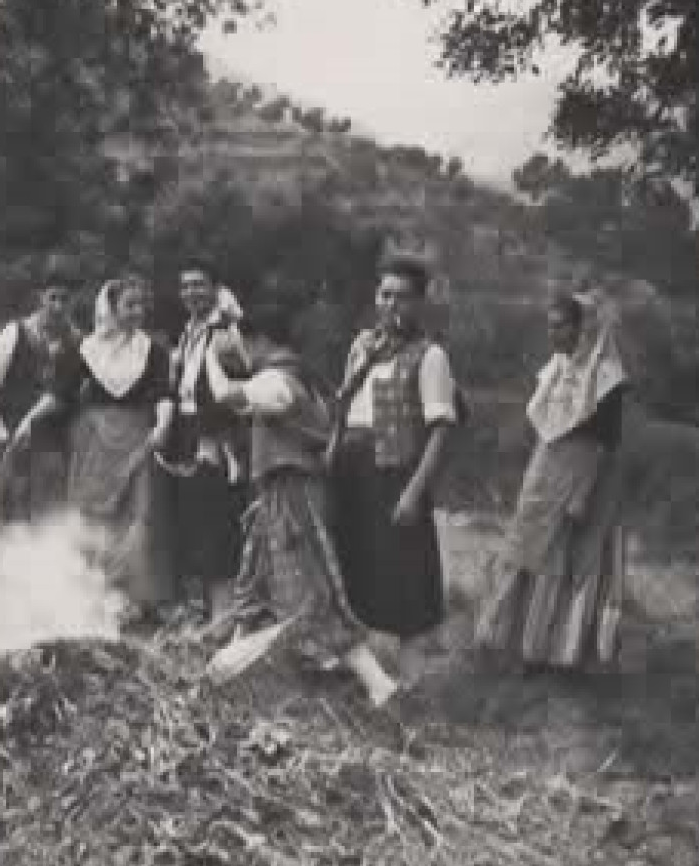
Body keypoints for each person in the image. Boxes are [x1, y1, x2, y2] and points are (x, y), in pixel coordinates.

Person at [200, 301, 402, 707]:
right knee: (253, 584)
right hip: (277, 493)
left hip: (294, 495)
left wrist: (209, 354)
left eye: (240, 340)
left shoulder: (278, 379)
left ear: (258, 340)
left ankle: (378, 682)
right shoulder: (296, 375)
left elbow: (226, 394)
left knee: (309, 591)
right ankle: (225, 672)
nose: (236, 349)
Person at [475, 291, 630, 670]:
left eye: (560, 325)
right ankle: (497, 639)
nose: (552, 333)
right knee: (520, 547)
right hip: (545, 466)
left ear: (583, 327)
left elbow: (604, 443)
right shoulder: (558, 367)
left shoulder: (607, 378)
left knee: (552, 559)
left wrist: (581, 494)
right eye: (549, 324)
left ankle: (537, 651)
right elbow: (549, 424)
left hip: (578, 472)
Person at [327, 256, 460, 647]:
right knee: (353, 566)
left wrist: (413, 494)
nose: (391, 305)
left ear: (419, 303)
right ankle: (363, 663)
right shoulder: (361, 347)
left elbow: (440, 432)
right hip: (351, 468)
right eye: (385, 295)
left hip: (394, 473)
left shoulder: (429, 355)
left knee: (399, 576)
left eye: (402, 298)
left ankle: (407, 672)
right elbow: (344, 408)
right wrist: (332, 454)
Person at [64, 277, 178, 629]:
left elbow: (163, 393)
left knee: (138, 514)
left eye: (141, 305)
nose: (137, 312)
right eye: (129, 305)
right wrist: (27, 423)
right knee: (94, 515)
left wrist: (162, 426)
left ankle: (134, 601)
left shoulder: (152, 350)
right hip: (95, 440)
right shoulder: (86, 349)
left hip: (137, 436)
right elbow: (60, 392)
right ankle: (91, 597)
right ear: (111, 308)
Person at [164, 267, 249, 624]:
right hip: (185, 431)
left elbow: (238, 387)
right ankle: (199, 610)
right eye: (185, 286)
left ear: (216, 288)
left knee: (218, 521)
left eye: (199, 285)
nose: (191, 292)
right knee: (190, 521)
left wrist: (213, 438)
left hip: (215, 435)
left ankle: (223, 614)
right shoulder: (187, 332)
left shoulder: (226, 330)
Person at [0, 280, 83, 530]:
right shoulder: (16, 332)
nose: (58, 306)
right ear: (40, 298)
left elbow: (63, 393)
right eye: (52, 298)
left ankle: (34, 564)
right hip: (8, 428)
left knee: (45, 510)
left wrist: (32, 422)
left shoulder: (75, 340)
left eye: (65, 299)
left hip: (51, 435)